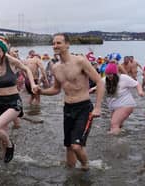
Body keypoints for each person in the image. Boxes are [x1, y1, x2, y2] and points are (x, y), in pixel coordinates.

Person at [38, 33, 104, 170]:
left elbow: (99, 81)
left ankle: (86, 168)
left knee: (76, 146)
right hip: (68, 108)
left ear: (67, 44)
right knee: (68, 146)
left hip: (84, 108)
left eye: (59, 43)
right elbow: (56, 89)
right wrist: (41, 92)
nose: (55, 46)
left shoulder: (80, 61)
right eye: (54, 43)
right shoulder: (55, 67)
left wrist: (98, 107)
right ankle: (71, 175)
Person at [102, 63, 144, 134]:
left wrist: (140, 91)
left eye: (111, 74)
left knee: (114, 124)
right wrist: (91, 90)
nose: (109, 76)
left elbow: (137, 84)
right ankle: (122, 138)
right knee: (117, 125)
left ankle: (114, 143)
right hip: (114, 106)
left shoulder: (123, 78)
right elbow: (98, 87)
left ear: (115, 74)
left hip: (126, 104)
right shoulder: (104, 80)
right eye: (107, 74)